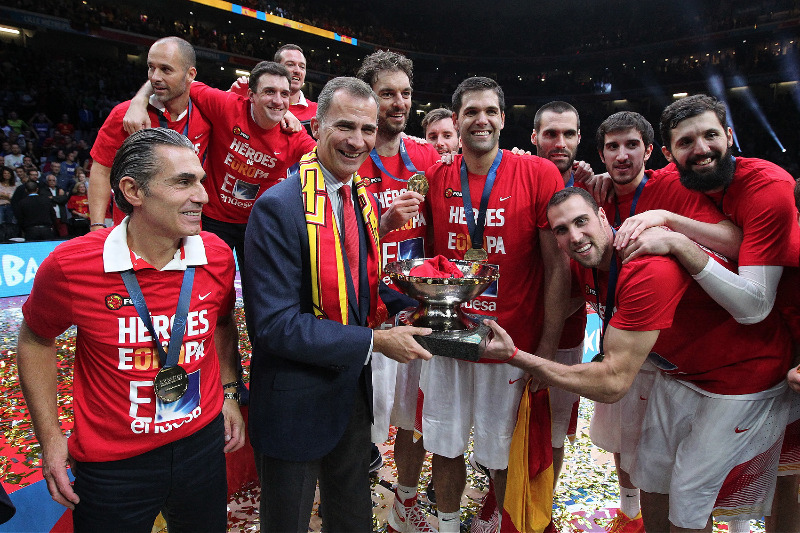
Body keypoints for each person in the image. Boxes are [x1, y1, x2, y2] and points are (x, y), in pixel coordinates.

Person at [483, 186, 791, 533]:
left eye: (581, 221)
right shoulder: (589, 262)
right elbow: (559, 303)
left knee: (689, 496)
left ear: (603, 217)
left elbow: (613, 383)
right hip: (682, 373)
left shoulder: (645, 266)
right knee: (650, 473)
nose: (575, 236)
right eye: (562, 229)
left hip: (742, 374)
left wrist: (518, 357)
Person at [17, 128, 244, 531]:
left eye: (201, 182)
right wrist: (50, 437)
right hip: (114, 463)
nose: (203, 196)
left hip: (202, 446)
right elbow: (36, 338)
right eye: (183, 182)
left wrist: (228, 392)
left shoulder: (218, 255)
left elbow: (223, 323)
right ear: (133, 191)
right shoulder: (72, 266)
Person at [243, 76, 432, 532]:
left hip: (350, 391)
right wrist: (375, 341)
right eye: (344, 126)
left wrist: (420, 307)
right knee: (286, 522)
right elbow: (274, 326)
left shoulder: (359, 196)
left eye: (367, 129)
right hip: (295, 400)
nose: (357, 140)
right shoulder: (278, 206)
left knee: (351, 517)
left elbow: (363, 287)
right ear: (316, 126)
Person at [615, 94, 800, 533]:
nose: (701, 148)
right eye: (686, 141)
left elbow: (755, 306)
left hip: (779, 342)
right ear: (668, 154)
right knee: (661, 479)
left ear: (730, 136)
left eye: (711, 135)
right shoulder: (681, 184)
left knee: (786, 482)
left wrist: (676, 239)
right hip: (732, 354)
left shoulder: (765, 185)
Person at [423, 76, 570, 532]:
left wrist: (542, 352)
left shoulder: (539, 174)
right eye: (470, 111)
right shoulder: (436, 176)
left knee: (504, 453)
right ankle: (447, 525)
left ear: (504, 119)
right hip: (450, 338)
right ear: (456, 121)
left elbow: (558, 268)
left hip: (509, 342)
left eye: (490, 110)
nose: (480, 119)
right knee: (444, 448)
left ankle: (501, 524)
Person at [584, 110, 740, 533]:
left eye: (631, 145)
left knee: (659, 453)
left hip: (675, 346)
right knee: (621, 438)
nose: (622, 155)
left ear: (650, 151)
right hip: (619, 333)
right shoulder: (595, 195)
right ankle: (628, 512)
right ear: (600, 154)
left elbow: (733, 239)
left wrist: (669, 225)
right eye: (612, 147)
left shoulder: (670, 185)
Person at [354, 49, 441, 533]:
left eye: (405, 93)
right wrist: (380, 224)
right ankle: (350, 500)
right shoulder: (348, 153)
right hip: (363, 310)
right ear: (369, 97)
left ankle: (405, 502)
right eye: (387, 93)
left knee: (411, 417)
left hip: (412, 308)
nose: (399, 102)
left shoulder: (425, 157)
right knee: (363, 422)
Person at [530, 100, 594, 499]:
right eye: (550, 133)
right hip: (515, 328)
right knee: (505, 425)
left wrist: (552, 327)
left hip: (565, 336)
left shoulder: (592, 194)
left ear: (579, 138)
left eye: (568, 133)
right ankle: (504, 500)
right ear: (533, 137)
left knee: (552, 429)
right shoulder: (515, 179)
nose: (560, 142)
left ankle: (542, 511)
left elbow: (595, 281)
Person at [89, 36, 211, 230]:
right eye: (151, 67)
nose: (155, 77)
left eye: (166, 69)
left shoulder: (207, 113)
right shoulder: (126, 116)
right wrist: (96, 225)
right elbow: (101, 171)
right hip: (135, 235)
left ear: (190, 74)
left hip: (187, 233)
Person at [275, 44, 317, 127]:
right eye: (290, 64)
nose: (297, 71)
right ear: (276, 69)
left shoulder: (318, 111)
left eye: (302, 67)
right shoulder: (260, 105)